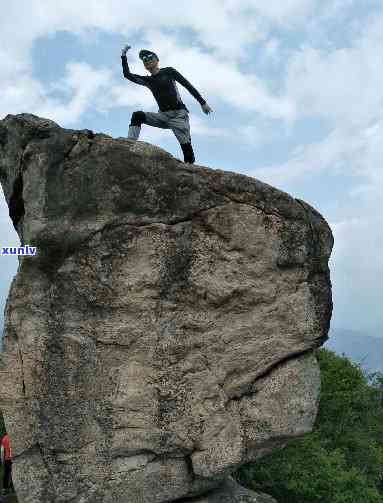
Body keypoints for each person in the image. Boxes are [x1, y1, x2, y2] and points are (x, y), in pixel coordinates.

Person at [121, 45, 213, 164]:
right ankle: (130, 144)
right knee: (137, 115)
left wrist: (203, 103)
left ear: (157, 59)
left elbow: (187, 85)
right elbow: (128, 75)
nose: (147, 60)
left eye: (150, 57)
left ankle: (190, 169)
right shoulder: (147, 80)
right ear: (144, 65)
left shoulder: (169, 71)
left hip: (178, 115)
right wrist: (123, 56)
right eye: (144, 59)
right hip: (163, 116)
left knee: (187, 151)